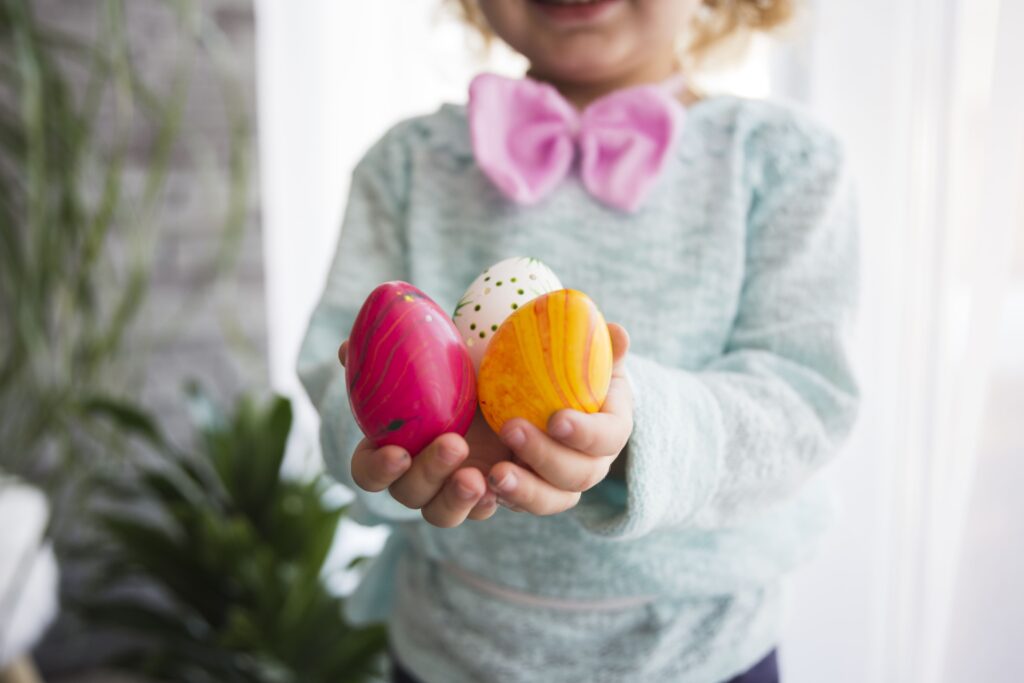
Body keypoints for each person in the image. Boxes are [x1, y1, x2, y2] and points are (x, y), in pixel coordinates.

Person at [298, 1, 859, 681]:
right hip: (452, 650)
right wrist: (388, 438)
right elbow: (340, 375)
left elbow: (801, 399)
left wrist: (633, 425)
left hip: (702, 652)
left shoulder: (784, 161)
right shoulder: (408, 165)